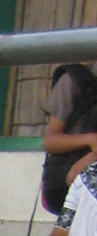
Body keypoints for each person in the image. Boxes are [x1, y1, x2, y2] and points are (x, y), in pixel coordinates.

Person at [40, 64, 97, 213]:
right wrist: (90, 140)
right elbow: (50, 141)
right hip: (69, 186)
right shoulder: (75, 80)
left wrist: (92, 157)